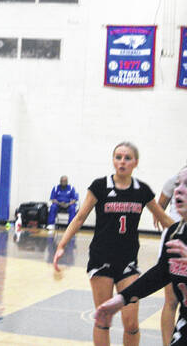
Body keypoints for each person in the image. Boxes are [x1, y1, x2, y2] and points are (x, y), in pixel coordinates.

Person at [53, 142, 175, 346]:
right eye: (118, 157)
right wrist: (62, 245)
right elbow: (80, 217)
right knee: (103, 320)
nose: (122, 162)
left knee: (132, 323)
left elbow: (163, 219)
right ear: (113, 160)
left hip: (128, 261)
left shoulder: (142, 190)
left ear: (135, 162)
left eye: (127, 158)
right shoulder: (100, 186)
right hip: (101, 260)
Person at [95, 167, 187, 345]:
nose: (178, 189)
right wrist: (121, 299)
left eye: (186, 185)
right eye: (177, 184)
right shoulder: (176, 233)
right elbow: (160, 274)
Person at [153, 167, 187, 346]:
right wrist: (171, 226)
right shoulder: (173, 179)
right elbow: (158, 209)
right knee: (171, 300)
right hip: (174, 243)